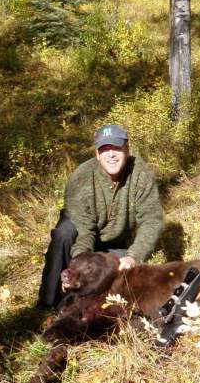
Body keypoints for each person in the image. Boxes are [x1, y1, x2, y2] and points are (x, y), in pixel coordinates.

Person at [38, 124, 164, 308]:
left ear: (127, 150)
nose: (111, 154)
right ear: (97, 154)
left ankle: (88, 303)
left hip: (117, 244)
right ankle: (48, 301)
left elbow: (151, 220)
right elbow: (83, 230)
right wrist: (80, 266)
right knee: (63, 233)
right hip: (82, 238)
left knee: (126, 275)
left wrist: (133, 256)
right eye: (105, 149)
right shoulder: (81, 177)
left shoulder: (141, 174)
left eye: (116, 148)